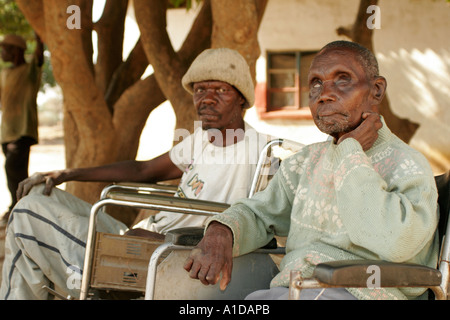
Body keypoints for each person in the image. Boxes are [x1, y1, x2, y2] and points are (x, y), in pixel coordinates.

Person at [0, 48, 272, 299]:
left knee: (27, 215)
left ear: (241, 98)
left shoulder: (259, 151)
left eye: (221, 90)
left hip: (168, 251)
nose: (207, 98)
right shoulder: (202, 138)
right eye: (200, 89)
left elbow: (263, 220)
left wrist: (171, 239)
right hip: (142, 234)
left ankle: (89, 285)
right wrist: (66, 174)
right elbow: (143, 169)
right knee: (39, 194)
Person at [184, 41, 439, 300]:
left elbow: (395, 243)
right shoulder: (306, 161)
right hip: (296, 288)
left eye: (342, 80)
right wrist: (222, 231)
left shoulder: (407, 164)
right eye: (316, 83)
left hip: (365, 293)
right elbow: (260, 213)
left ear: (376, 90)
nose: (324, 94)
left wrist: (350, 155)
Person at [0, 33, 44, 221]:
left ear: (16, 51)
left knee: (12, 167)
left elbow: (39, 58)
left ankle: (19, 206)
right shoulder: (4, 73)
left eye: (6, 48)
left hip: (23, 130)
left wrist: (39, 40)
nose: (2, 52)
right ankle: (20, 205)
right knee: (14, 171)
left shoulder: (30, 71)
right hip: (7, 130)